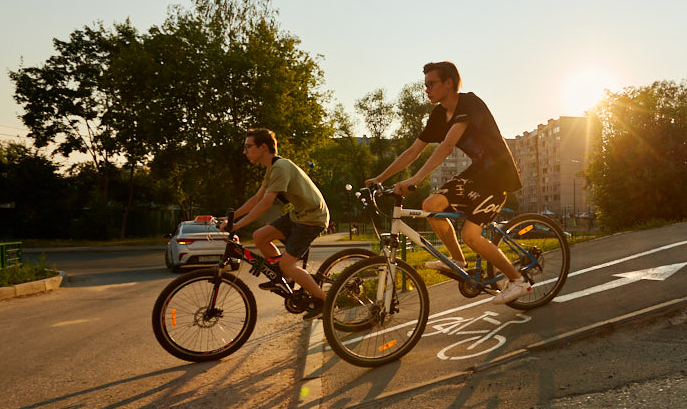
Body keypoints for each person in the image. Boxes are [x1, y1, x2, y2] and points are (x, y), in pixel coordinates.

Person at [369, 61, 530, 305]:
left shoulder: (469, 104)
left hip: (498, 177)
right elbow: (414, 150)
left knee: (471, 236)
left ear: (449, 83)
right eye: (425, 86)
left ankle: (518, 281)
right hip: (476, 174)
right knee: (431, 205)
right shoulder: (438, 115)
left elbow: (446, 146)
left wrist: (415, 179)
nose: (427, 90)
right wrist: (380, 178)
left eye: (431, 84)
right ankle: (458, 262)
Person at [222, 128, 330, 319]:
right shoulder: (272, 168)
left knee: (288, 265)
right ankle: (285, 279)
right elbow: (256, 198)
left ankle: (326, 303)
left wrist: (238, 226)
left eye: (248, 147)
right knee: (259, 237)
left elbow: (265, 203)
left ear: (263, 147)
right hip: (299, 214)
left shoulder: (280, 167)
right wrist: (231, 218)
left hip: (313, 218)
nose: (244, 152)